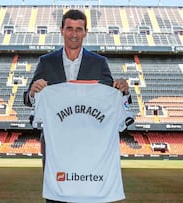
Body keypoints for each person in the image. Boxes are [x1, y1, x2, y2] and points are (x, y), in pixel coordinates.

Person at [23, 9, 131, 203]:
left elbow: (109, 98)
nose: (74, 34)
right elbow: (28, 98)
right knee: (57, 196)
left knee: (89, 194)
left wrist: (122, 91)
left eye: (79, 29)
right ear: (61, 30)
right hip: (56, 146)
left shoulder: (99, 63)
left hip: (90, 145)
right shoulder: (46, 62)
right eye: (69, 28)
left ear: (85, 32)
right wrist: (32, 92)